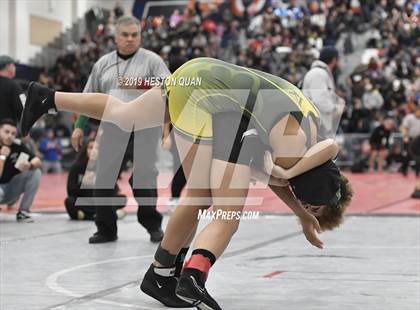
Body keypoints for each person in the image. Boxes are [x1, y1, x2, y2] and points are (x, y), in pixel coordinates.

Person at [21, 57, 353, 309]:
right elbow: (269, 168)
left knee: (127, 114)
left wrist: (297, 206)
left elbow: (293, 167)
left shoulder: (309, 135)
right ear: (315, 183)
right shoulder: (295, 146)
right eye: (314, 206)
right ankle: (173, 274)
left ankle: (48, 98)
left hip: (201, 74)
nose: (306, 206)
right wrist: (288, 189)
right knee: (203, 197)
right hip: (207, 95)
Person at [70, 16, 170, 243]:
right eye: (125, 35)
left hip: (144, 127)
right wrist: (78, 128)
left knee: (144, 177)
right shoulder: (102, 64)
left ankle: (152, 224)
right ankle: (106, 229)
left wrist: (140, 84)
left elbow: (169, 88)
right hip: (112, 128)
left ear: (140, 36)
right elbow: (87, 98)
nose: (130, 39)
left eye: (135, 35)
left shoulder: (152, 61)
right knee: (102, 179)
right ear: (115, 37)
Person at [65, 138, 127, 220]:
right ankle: (106, 215)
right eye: (90, 147)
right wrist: (83, 184)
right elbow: (70, 191)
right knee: (69, 201)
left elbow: (114, 191)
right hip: (85, 201)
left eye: (96, 148)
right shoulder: (76, 167)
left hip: (100, 201)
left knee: (122, 199)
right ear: (85, 150)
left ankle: (86, 216)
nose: (93, 151)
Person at [0, 119, 42, 222]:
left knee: (36, 172)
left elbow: (37, 160)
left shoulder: (17, 145)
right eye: (6, 132)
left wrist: (29, 164)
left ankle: (23, 212)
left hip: (10, 191)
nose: (10, 136)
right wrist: (2, 157)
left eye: (13, 133)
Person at [301, 46, 345, 138]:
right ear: (334, 60)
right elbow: (320, 100)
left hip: (319, 127)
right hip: (316, 127)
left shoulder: (321, 73)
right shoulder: (318, 73)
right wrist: (335, 109)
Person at [401, 106, 420, 197]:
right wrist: (405, 136)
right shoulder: (409, 117)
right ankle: (404, 169)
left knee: (417, 159)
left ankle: (417, 173)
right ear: (416, 111)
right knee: (408, 156)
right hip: (411, 140)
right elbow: (404, 127)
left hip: (419, 140)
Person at [0, 56, 25, 123]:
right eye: (14, 65)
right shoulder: (14, 85)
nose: (15, 68)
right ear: (9, 67)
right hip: (6, 130)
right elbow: (23, 110)